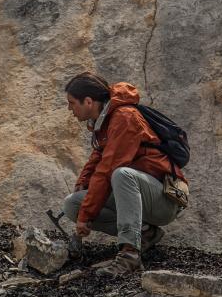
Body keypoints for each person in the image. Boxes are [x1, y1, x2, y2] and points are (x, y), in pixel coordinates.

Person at [61, 72, 186, 275]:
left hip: (164, 200)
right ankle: (146, 234)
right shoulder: (104, 121)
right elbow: (98, 157)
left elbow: (108, 168)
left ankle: (130, 255)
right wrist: (82, 184)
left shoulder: (125, 117)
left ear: (89, 101)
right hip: (139, 195)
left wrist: (87, 215)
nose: (69, 109)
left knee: (121, 174)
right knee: (73, 204)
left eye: (72, 103)